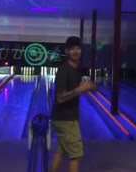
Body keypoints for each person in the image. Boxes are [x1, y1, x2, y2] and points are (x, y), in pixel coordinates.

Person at [50, 36, 95, 172]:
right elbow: (60, 98)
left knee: (61, 151)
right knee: (76, 155)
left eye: (78, 48)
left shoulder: (76, 70)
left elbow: (77, 90)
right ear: (67, 51)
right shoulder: (64, 70)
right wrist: (79, 89)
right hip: (66, 119)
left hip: (64, 118)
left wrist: (90, 87)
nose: (75, 51)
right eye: (71, 49)